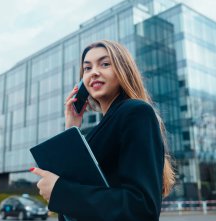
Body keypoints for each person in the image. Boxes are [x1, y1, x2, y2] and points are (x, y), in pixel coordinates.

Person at [31, 40, 175, 221]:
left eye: (105, 64)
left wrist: (60, 191)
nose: (94, 73)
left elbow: (142, 208)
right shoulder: (96, 130)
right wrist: (72, 129)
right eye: (87, 68)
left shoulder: (136, 112)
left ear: (124, 70)